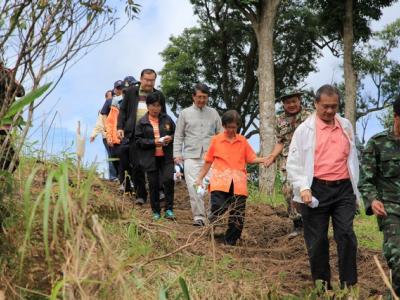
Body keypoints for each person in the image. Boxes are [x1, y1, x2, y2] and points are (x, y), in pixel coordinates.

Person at [286, 84, 360, 290]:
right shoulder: (304, 130)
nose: (329, 111)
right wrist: (303, 187)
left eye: (334, 107)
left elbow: (352, 159)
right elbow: (293, 162)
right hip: (316, 189)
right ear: (316, 104)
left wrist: (355, 191)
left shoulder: (345, 126)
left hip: (344, 188)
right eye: (325, 106)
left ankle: (349, 286)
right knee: (317, 241)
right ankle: (323, 288)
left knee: (346, 235)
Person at [195, 110, 268, 245]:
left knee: (238, 214)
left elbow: (251, 158)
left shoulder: (242, 141)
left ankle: (230, 241)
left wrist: (264, 159)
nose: (231, 130)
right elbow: (208, 161)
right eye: (229, 127)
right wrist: (200, 178)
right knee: (218, 206)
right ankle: (211, 225)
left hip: (238, 183)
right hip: (220, 181)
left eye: (234, 127)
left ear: (237, 126)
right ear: (224, 125)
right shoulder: (216, 140)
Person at [358, 95, 400, 298]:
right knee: (398, 257)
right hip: (391, 209)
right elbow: (365, 180)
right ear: (396, 117)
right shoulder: (377, 143)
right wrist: (373, 200)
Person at [173, 83, 222, 226]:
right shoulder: (185, 113)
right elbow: (179, 135)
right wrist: (177, 153)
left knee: (209, 187)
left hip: (210, 156)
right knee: (195, 187)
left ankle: (211, 215)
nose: (201, 100)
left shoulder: (213, 113)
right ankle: (199, 217)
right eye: (199, 97)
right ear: (193, 97)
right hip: (191, 156)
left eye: (204, 97)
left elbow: (220, 134)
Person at [265, 89, 312, 237]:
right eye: (287, 102)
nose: (291, 105)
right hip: (287, 159)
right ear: (283, 104)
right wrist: (272, 156)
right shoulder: (280, 120)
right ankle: (297, 224)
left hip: (307, 157)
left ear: (299, 100)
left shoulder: (311, 115)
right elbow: (280, 141)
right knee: (288, 190)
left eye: (294, 101)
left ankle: (312, 223)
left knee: (309, 189)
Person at [117, 69, 167, 205]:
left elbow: (164, 116)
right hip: (134, 134)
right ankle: (141, 195)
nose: (149, 83)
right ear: (140, 78)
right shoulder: (131, 92)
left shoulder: (159, 95)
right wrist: (120, 127)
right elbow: (122, 111)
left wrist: (163, 133)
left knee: (156, 164)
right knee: (137, 165)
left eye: (152, 80)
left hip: (153, 134)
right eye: (146, 80)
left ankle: (159, 192)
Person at [135, 92, 176, 220]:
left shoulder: (167, 119)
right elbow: (138, 141)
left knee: (168, 180)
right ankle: (156, 211)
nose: (155, 108)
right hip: (150, 158)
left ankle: (169, 209)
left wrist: (171, 138)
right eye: (153, 105)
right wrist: (154, 142)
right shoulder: (142, 122)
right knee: (153, 185)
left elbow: (177, 134)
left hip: (166, 157)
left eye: (158, 105)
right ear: (148, 106)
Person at [0, 60, 25, 172]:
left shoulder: (7, 73)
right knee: (11, 160)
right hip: (3, 122)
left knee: (9, 159)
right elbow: (21, 91)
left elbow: (21, 92)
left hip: (5, 121)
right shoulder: (6, 74)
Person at [90, 89, 118, 181]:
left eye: (113, 96)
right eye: (110, 96)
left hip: (116, 135)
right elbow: (99, 123)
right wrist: (94, 134)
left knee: (118, 155)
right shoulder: (103, 110)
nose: (112, 98)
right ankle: (113, 176)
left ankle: (118, 175)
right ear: (106, 98)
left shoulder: (116, 107)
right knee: (111, 156)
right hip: (106, 136)